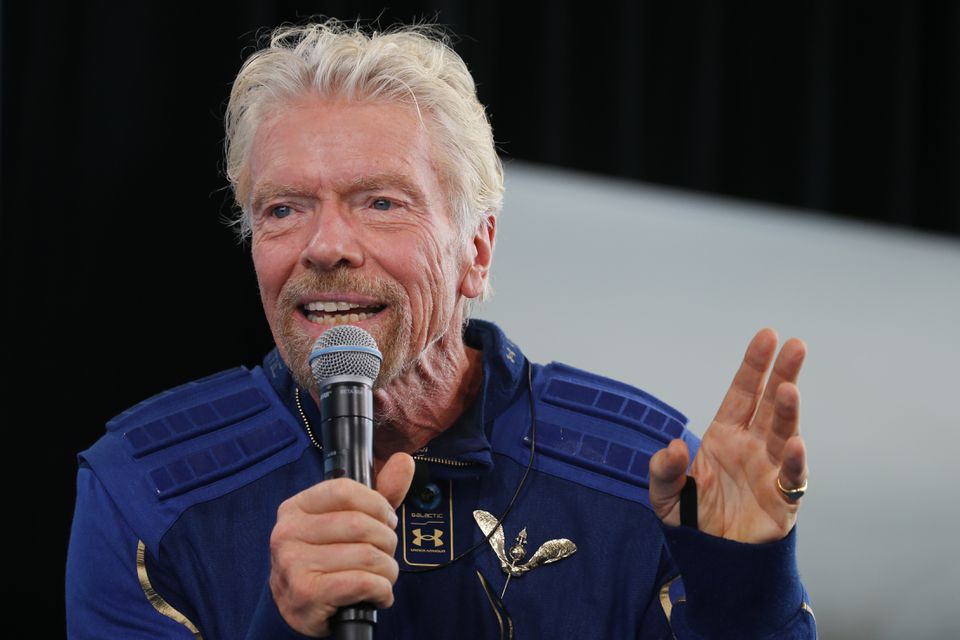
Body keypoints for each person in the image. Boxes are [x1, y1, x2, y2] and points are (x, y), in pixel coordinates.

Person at [66, 20, 815, 639]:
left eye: (381, 202)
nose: (324, 246)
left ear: (476, 252)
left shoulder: (643, 477)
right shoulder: (143, 490)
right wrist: (286, 626)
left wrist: (745, 583)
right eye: (284, 209)